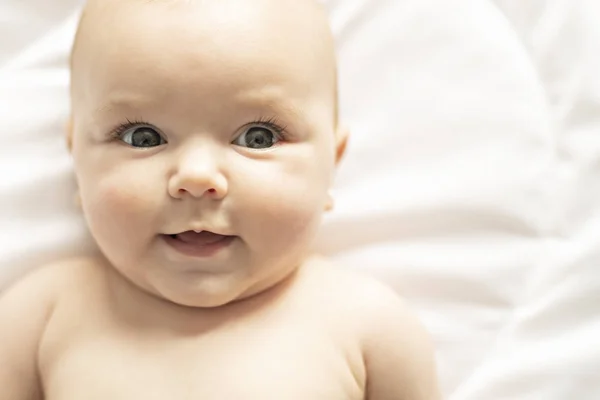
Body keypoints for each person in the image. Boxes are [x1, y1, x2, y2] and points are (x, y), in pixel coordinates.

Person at [0, 0, 441, 398]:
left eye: (258, 136)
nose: (196, 177)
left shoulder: (368, 326)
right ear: (77, 155)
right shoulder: (40, 318)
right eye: (142, 136)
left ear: (332, 163)